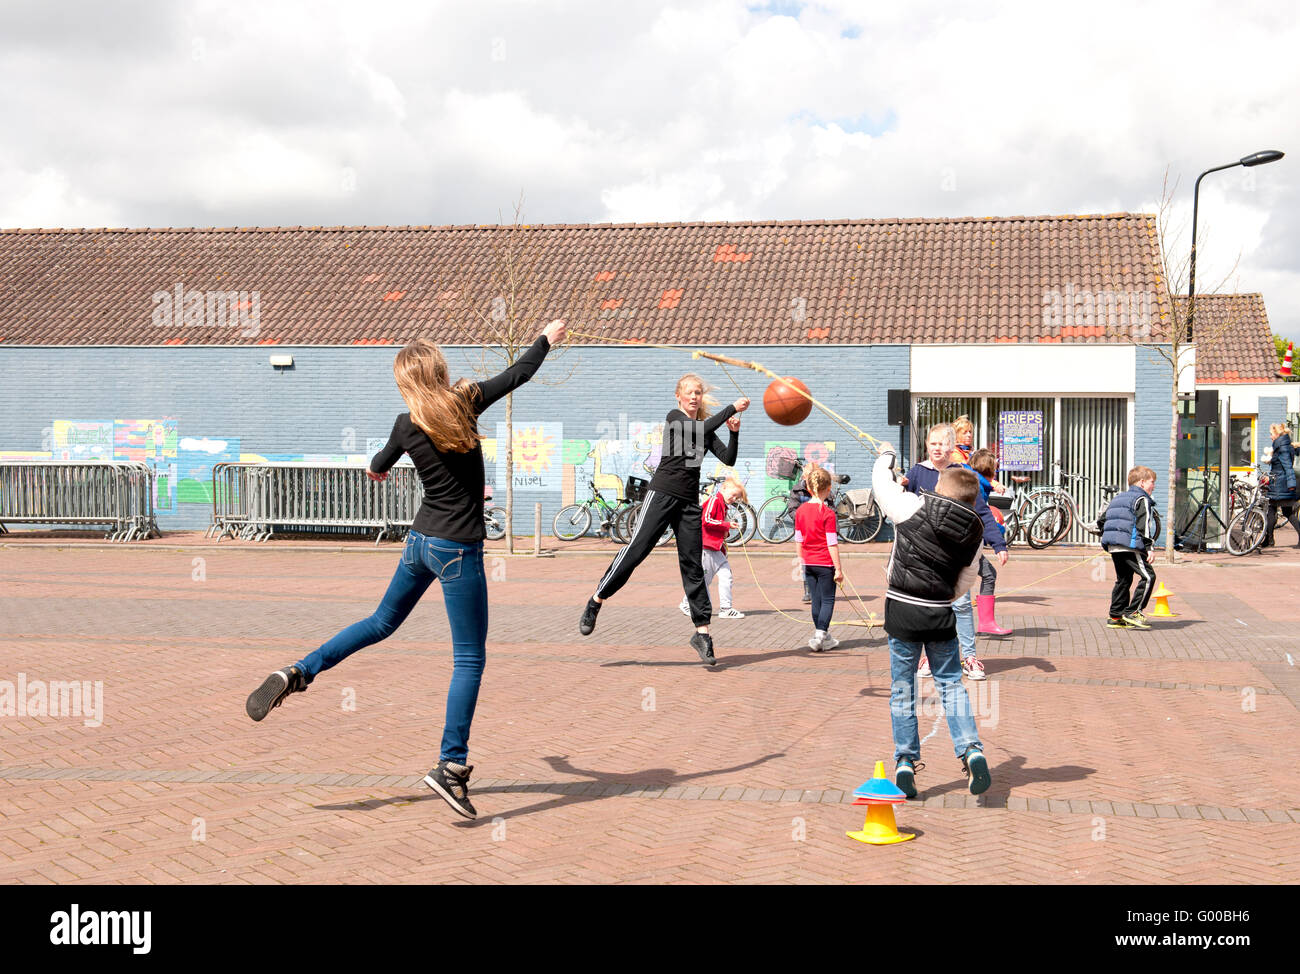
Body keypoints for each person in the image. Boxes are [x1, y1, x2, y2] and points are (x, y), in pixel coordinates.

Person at [244, 319, 568, 820]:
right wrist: (546, 337)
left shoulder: (404, 423)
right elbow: (520, 372)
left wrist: (378, 467)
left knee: (379, 622)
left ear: (405, 383)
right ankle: (451, 768)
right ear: (440, 372)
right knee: (468, 660)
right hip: (459, 550)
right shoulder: (465, 402)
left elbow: (378, 462)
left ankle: (298, 671)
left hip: (419, 542)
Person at [580, 376, 750, 666]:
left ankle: (702, 634)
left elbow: (729, 458)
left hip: (688, 504)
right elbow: (700, 428)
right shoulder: (676, 419)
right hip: (661, 495)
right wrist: (731, 409)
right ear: (679, 397)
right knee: (637, 550)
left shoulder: (706, 428)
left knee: (693, 566)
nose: (694, 397)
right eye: (689, 393)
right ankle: (596, 600)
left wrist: (734, 432)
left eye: (698, 392)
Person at [872, 445, 992, 798]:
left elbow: (881, 485)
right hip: (940, 613)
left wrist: (887, 455)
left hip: (903, 612)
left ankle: (906, 761)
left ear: (940, 488)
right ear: (971, 501)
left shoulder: (913, 506)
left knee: (903, 689)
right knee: (951, 686)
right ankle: (972, 750)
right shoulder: (975, 535)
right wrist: (942, 598)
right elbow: (965, 582)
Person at [902, 423, 1007, 680]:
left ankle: (969, 657)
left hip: (956, 553)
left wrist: (998, 543)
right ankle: (929, 657)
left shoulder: (961, 474)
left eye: (942, 444)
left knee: (960, 605)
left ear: (952, 447)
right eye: (933, 443)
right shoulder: (916, 473)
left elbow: (981, 510)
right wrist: (898, 485)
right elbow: (902, 509)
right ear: (927, 445)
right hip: (926, 555)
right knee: (930, 608)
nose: (937, 448)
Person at [678, 477, 749, 619]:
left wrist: (725, 531)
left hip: (715, 548)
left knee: (725, 575)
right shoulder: (714, 501)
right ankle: (686, 603)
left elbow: (716, 524)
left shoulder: (723, 505)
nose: (734, 498)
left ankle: (726, 608)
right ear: (723, 488)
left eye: (737, 497)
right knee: (704, 580)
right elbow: (706, 520)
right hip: (706, 546)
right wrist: (727, 525)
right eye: (733, 494)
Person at [1099, 465, 1159, 630]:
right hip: (1130, 545)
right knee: (1148, 577)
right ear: (1142, 483)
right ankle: (1133, 612)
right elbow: (1143, 525)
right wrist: (1149, 547)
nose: (1153, 486)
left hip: (1114, 545)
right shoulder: (1142, 499)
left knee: (1123, 580)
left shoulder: (1118, 498)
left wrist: (1110, 536)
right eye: (1151, 482)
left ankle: (1116, 616)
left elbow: (1102, 520)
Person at [795, 464, 843, 651]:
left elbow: (798, 540)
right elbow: (832, 543)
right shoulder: (828, 513)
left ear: (808, 488)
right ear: (829, 488)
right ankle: (820, 633)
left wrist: (801, 562)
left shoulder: (800, 511)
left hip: (808, 561)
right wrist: (838, 568)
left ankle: (824, 636)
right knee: (828, 599)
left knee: (816, 600)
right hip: (824, 562)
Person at [968, 448, 1013, 636]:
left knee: (987, 574)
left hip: (968, 541)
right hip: (965, 544)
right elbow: (981, 515)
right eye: (995, 467)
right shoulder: (976, 485)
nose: (996, 471)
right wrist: (997, 540)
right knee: (985, 575)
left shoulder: (978, 483)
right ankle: (982, 624)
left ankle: (984, 623)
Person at [1260, 422, 1299, 548]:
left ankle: (1268, 540)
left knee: (1274, 511)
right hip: (1279, 483)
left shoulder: (1282, 447)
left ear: (1277, 434)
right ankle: (1268, 539)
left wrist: (1291, 484)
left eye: (1271, 434)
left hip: (1280, 484)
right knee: (1282, 512)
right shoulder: (1284, 446)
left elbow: (1287, 466)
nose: (1270, 437)